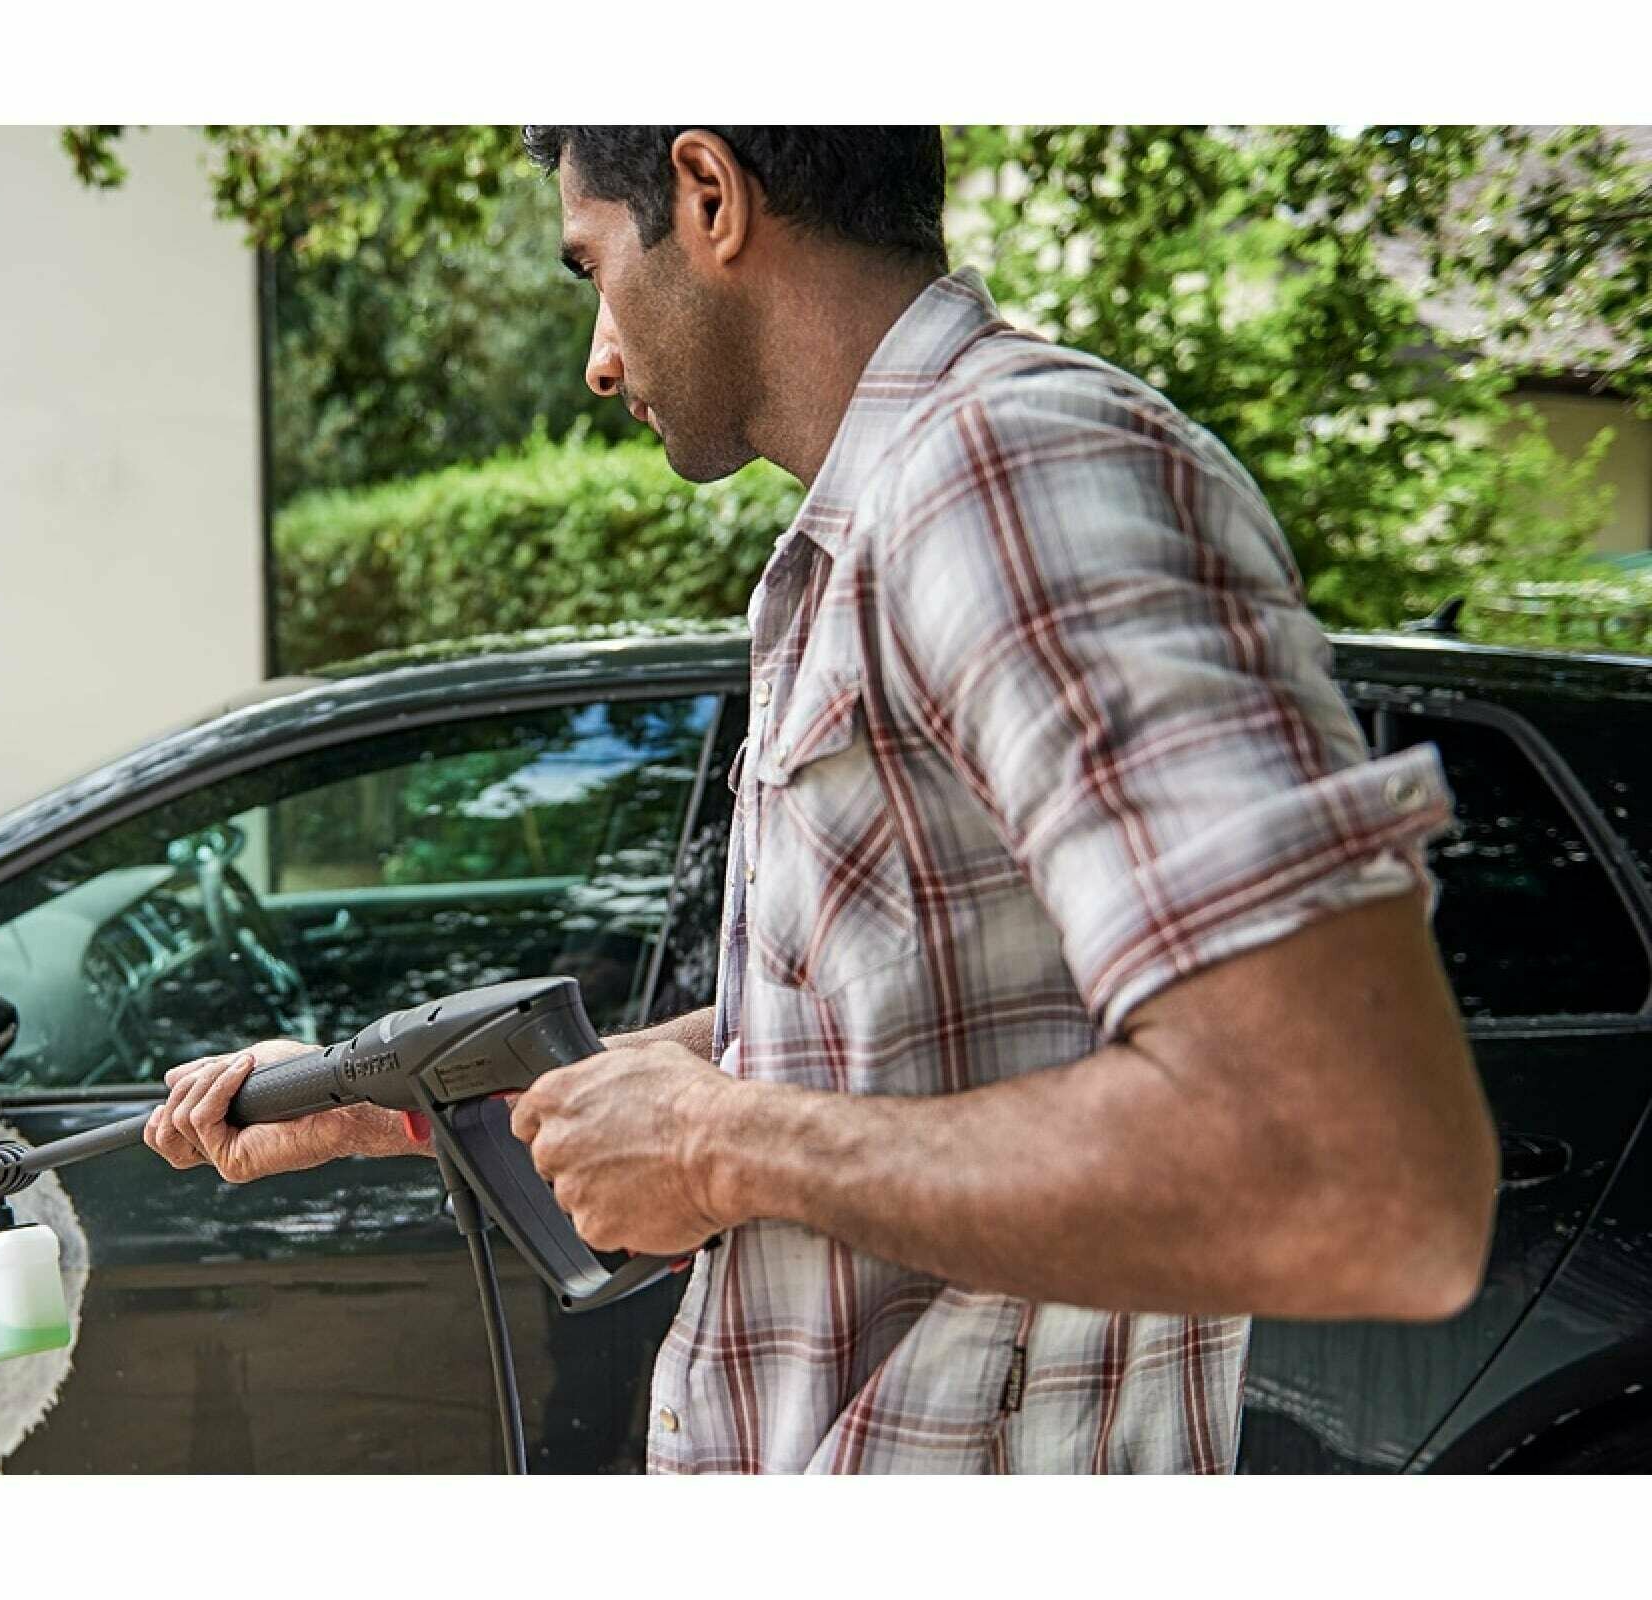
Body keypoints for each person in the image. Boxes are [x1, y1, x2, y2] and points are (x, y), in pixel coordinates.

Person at [146, 126, 1499, 1474]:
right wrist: (391, 1105)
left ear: (709, 196)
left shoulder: (1009, 473)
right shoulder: (879, 527)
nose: (598, 359)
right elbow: (861, 1048)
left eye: (593, 268)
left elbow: (1358, 1176)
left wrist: (719, 1147)